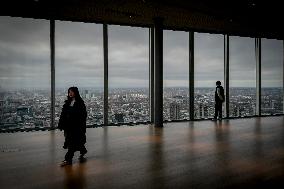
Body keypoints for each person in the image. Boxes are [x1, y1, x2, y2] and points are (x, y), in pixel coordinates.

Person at [58, 86, 88, 166]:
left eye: (72, 91)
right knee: (74, 141)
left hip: (76, 127)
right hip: (68, 127)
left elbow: (83, 115)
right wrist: (61, 123)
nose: (70, 93)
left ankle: (68, 159)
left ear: (76, 93)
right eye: (69, 92)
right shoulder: (67, 102)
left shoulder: (80, 103)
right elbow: (63, 114)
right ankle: (83, 151)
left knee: (71, 143)